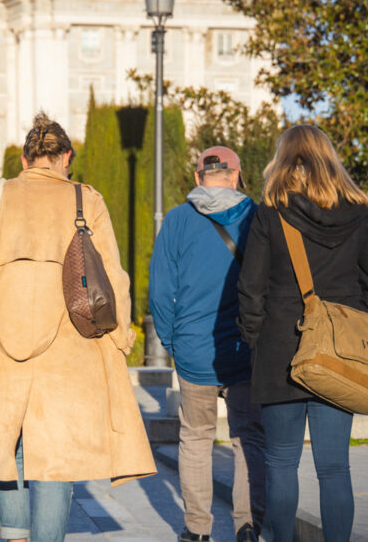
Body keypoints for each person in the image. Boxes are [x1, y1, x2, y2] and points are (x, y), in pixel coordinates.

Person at [0, 113, 156, 542]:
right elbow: (114, 279)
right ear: (66, 157)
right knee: (57, 455)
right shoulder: (86, 199)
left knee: (6, 445)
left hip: (0, 339)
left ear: (24, 158)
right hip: (70, 348)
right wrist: (122, 338)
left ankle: (14, 536)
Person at [236, 125, 368, 542]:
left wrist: (255, 340)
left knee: (281, 463)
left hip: (279, 351)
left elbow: (250, 288)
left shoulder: (271, 211)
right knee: (334, 466)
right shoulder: (358, 212)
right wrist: (351, 323)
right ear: (330, 158)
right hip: (340, 353)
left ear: (283, 158)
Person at [148, 146, 266, 542]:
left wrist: (172, 341)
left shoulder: (178, 220)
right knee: (247, 439)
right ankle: (248, 526)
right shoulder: (257, 217)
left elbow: (161, 291)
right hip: (245, 351)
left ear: (198, 178)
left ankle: (197, 530)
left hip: (195, 352)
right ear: (236, 176)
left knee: (196, 439)